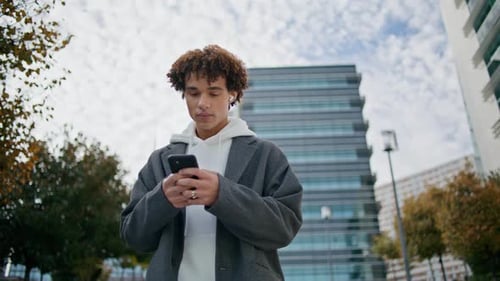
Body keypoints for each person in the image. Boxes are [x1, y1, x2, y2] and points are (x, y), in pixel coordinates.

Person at [120, 44, 303, 281]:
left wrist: (223, 195)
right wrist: (161, 199)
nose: (202, 103)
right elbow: (133, 237)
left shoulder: (266, 155)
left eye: (214, 93)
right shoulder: (159, 161)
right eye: (193, 93)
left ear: (232, 94)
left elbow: (284, 228)